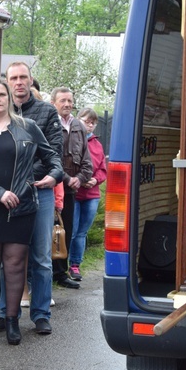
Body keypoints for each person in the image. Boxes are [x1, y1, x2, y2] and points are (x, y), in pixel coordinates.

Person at [0, 77, 62, 346]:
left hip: (21, 206)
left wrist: (53, 176)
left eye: (2, 95)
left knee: (16, 265)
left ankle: (13, 321)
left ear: (9, 99)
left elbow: (52, 158)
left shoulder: (27, 127)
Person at [0, 62, 64, 335]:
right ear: (6, 81)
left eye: (23, 77)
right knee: (6, 257)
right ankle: (3, 312)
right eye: (13, 78)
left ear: (30, 79)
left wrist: (23, 176)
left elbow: (52, 153)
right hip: (6, 195)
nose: (19, 82)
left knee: (41, 257)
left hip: (39, 191)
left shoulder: (47, 112)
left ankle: (40, 314)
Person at [50, 87, 93, 287]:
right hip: (52, 185)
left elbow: (86, 158)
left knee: (65, 231)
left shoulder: (78, 126)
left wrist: (80, 178)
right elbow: (51, 158)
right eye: (63, 101)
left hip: (72, 190)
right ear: (53, 103)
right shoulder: (50, 124)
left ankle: (61, 274)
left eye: (70, 101)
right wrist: (66, 178)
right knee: (48, 232)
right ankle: (45, 273)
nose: (67, 104)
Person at [69, 108, 107, 280]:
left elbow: (102, 170)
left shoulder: (97, 145)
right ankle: (63, 264)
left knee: (82, 232)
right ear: (78, 121)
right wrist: (79, 179)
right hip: (75, 193)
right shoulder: (71, 139)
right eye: (86, 121)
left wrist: (95, 180)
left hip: (91, 195)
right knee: (72, 230)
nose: (90, 125)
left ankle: (75, 265)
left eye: (93, 123)